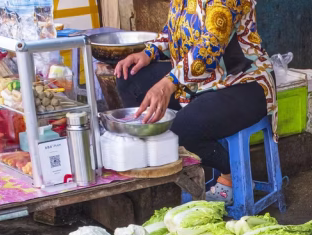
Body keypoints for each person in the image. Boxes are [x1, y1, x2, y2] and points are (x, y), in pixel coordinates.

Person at [114, 0, 276, 204]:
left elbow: (211, 45)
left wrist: (169, 83)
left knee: (179, 128)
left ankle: (233, 174)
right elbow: (173, 30)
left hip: (242, 83)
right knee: (130, 79)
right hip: (197, 81)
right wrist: (148, 53)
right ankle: (156, 157)